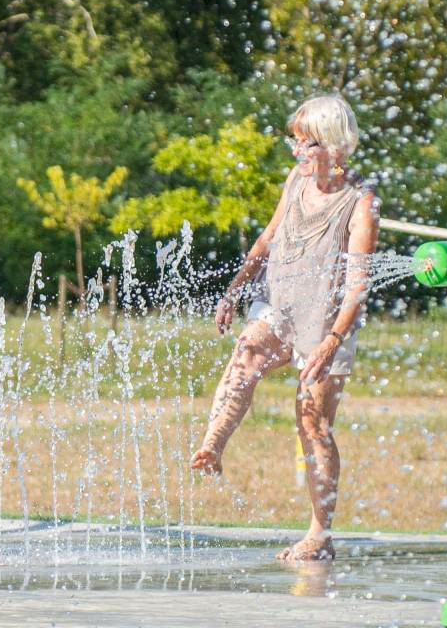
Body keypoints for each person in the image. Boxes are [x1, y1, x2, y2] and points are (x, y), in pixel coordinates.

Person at [189, 95, 380, 562]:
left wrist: (333, 340)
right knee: (249, 349)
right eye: (294, 141)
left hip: (328, 321)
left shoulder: (361, 202)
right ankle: (212, 445)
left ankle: (319, 533)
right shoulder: (295, 180)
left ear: (334, 144)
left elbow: (357, 285)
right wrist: (236, 287)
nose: (297, 151)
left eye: (306, 142)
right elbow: (267, 237)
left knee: (312, 421)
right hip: (280, 303)